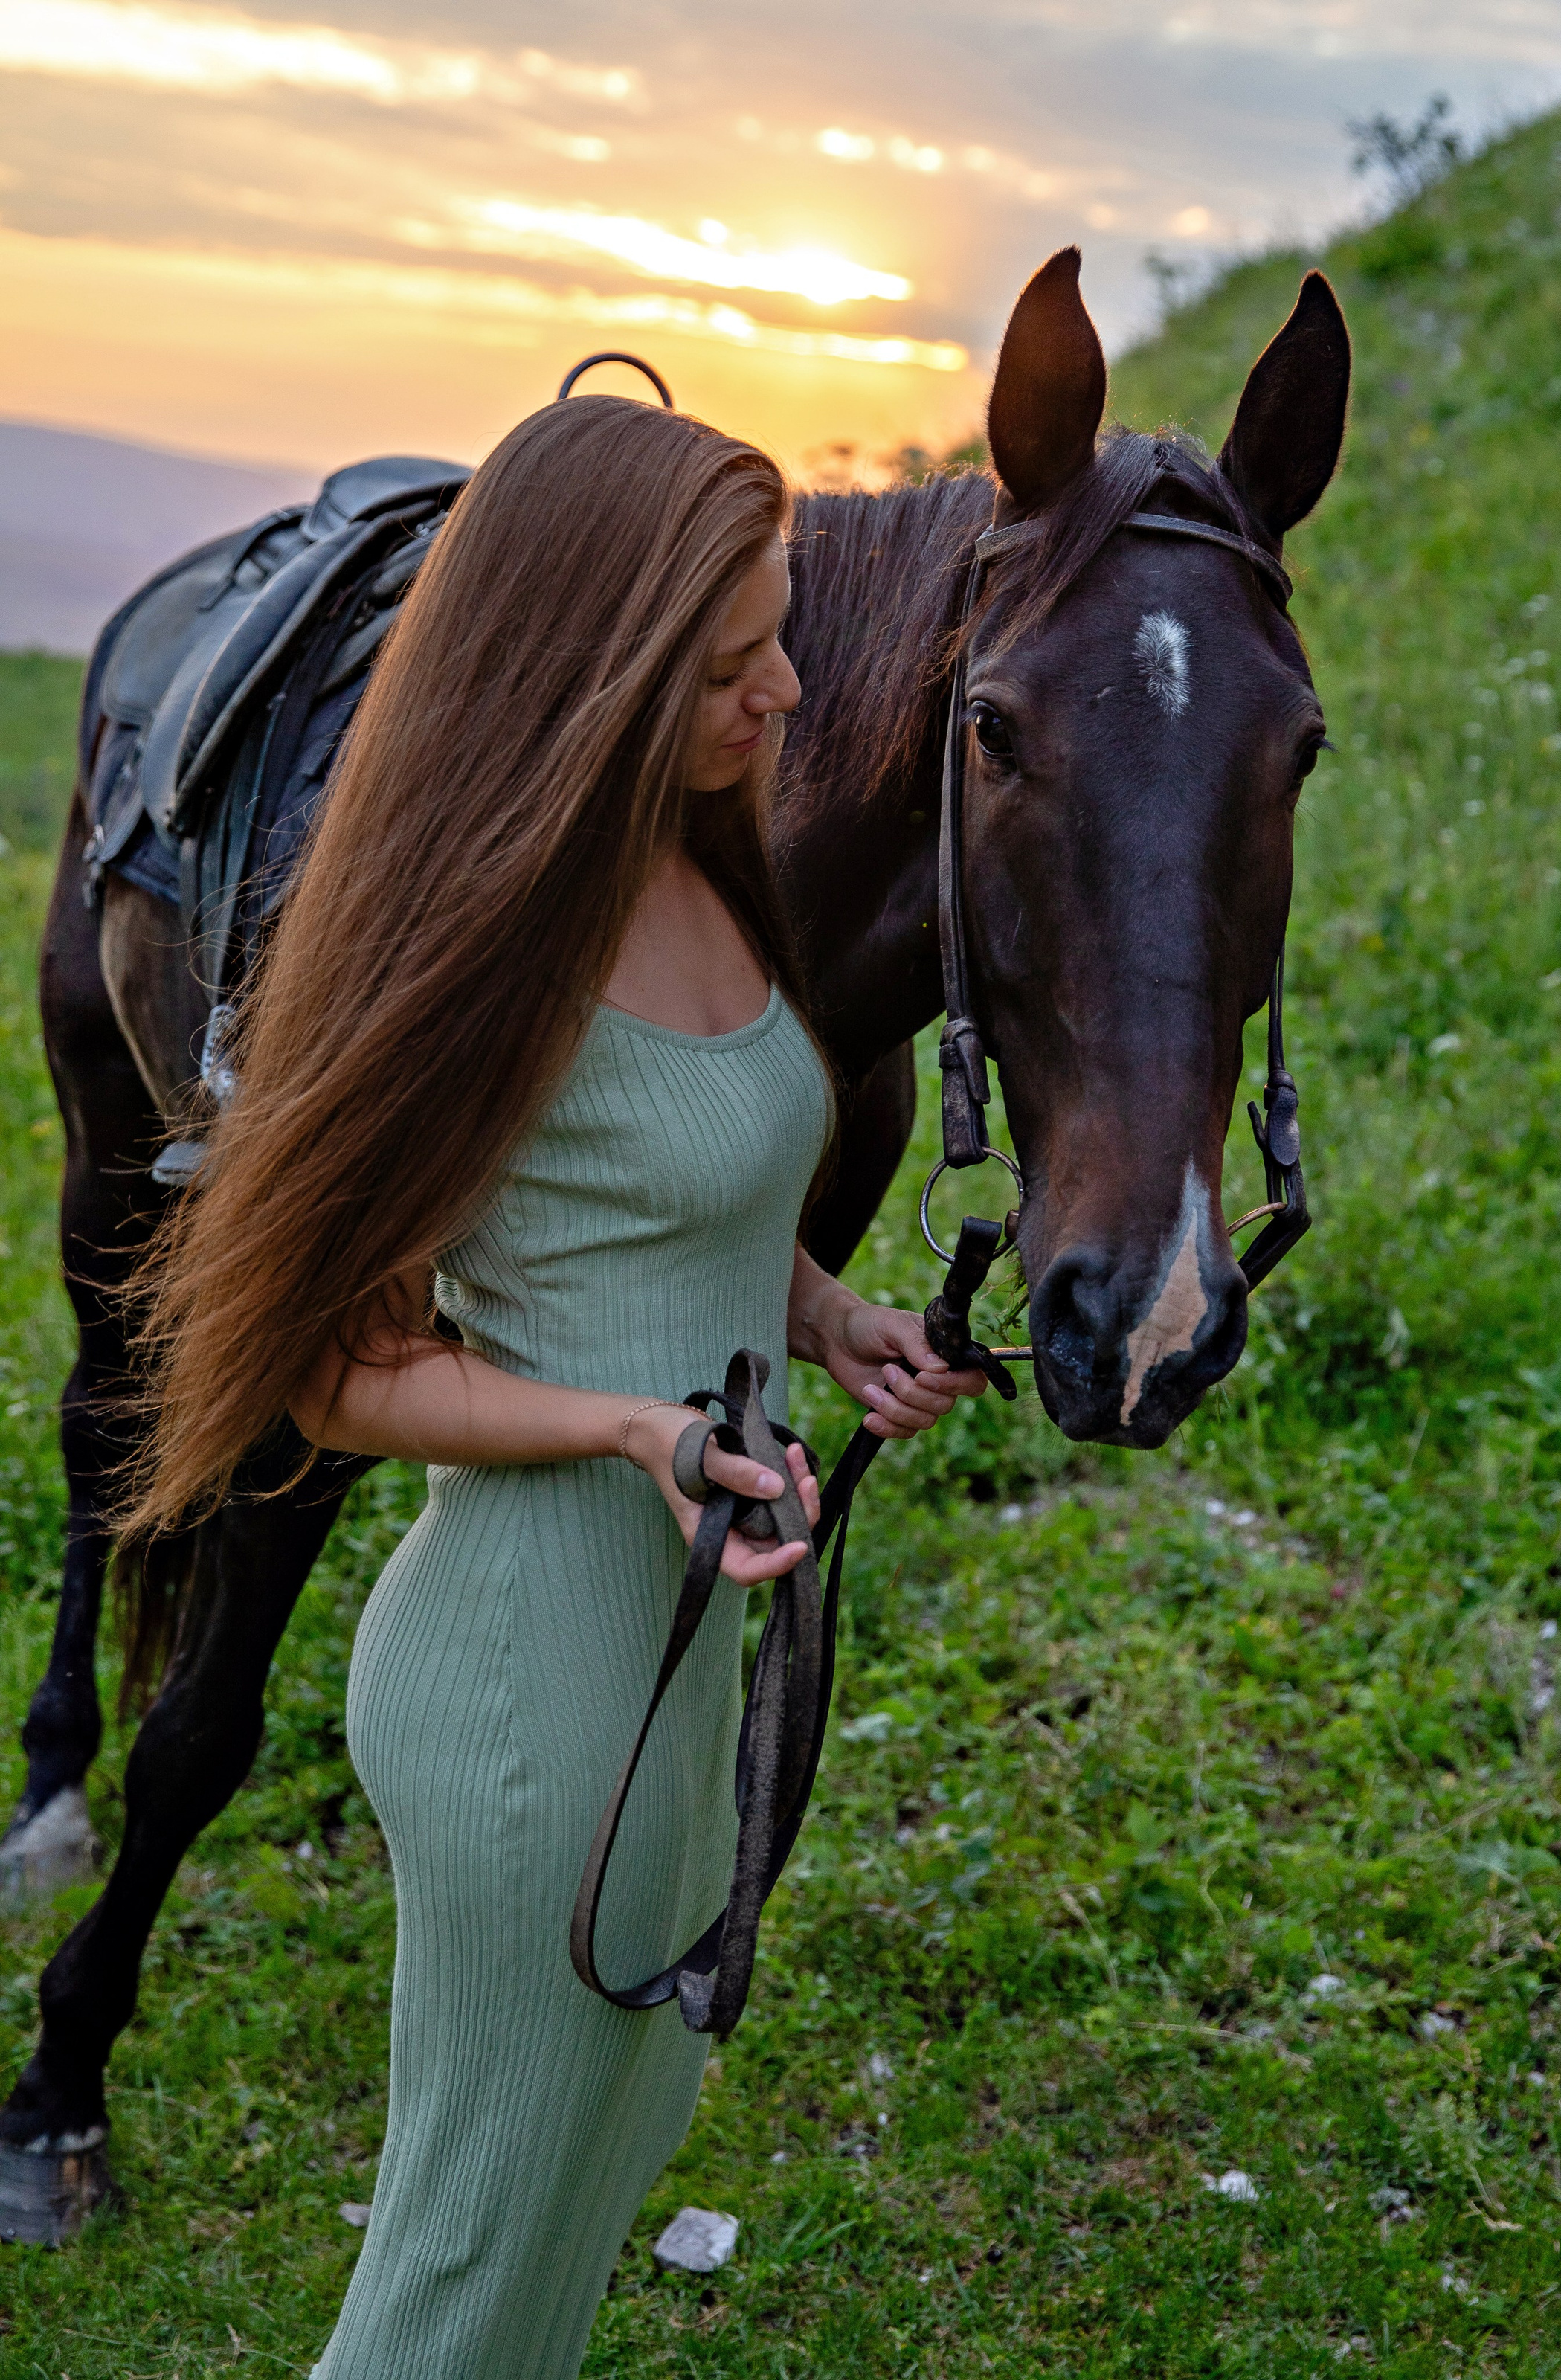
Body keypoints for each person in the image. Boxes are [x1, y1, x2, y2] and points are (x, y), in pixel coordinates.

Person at [120, 395, 986, 2377]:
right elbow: (341, 1375)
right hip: (531, 1684)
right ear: (594, 674)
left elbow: (657, 1177)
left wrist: (826, 1314)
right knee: (461, 2270)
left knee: (590, 2189)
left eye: (780, 635)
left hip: (669, 1667)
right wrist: (631, 1427)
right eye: (731, 663)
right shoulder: (477, 942)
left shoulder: (697, 860)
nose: (788, 691)